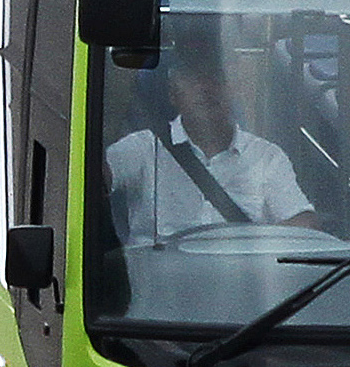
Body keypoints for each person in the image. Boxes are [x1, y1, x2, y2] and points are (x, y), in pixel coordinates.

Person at [103, 27, 317, 245]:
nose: (206, 87)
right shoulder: (143, 148)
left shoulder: (266, 157)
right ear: (173, 93)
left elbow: (302, 223)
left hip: (241, 276)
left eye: (217, 77)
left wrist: (252, 250)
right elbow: (93, 178)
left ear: (234, 90)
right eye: (193, 78)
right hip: (156, 277)